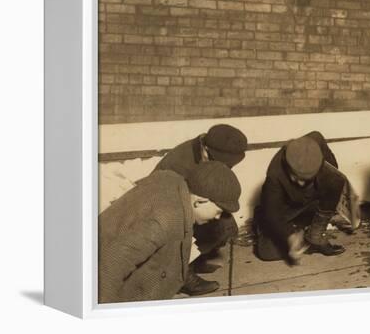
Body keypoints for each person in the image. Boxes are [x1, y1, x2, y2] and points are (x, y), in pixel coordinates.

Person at [99, 161, 241, 303]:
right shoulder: (165, 220)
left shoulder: (172, 180)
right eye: (218, 211)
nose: (217, 218)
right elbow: (110, 265)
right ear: (200, 201)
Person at [152, 124, 247, 295]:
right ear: (206, 150)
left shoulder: (213, 154)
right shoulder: (179, 164)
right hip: (168, 212)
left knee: (227, 226)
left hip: (191, 207)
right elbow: (169, 211)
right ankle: (181, 275)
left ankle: (195, 258)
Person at [254, 131, 347, 263]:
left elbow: (334, 170)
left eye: (306, 178)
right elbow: (273, 213)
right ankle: (264, 221)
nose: (301, 183)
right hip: (287, 207)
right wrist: (290, 237)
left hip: (310, 200)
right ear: (287, 166)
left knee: (335, 180)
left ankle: (315, 235)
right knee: (266, 252)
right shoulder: (274, 175)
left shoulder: (316, 141)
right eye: (296, 177)